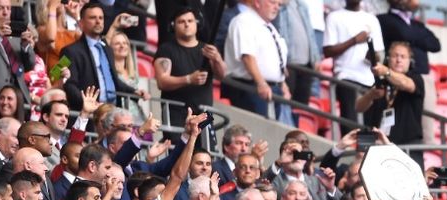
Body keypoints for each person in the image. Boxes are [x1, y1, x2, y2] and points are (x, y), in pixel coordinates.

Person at [154, 6, 226, 140]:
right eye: (181, 21)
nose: (187, 24)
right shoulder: (166, 50)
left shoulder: (208, 50)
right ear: (173, 26)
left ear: (197, 24)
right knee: (178, 155)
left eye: (190, 21)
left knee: (204, 157)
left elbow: (221, 76)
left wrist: (217, 59)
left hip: (204, 114)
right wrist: (188, 79)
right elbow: (162, 81)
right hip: (176, 115)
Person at [377, 0, 440, 144]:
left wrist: (411, 36)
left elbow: (435, 44)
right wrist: (418, 36)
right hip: (397, 77)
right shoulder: (384, 19)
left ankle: (426, 156)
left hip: (422, 78)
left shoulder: (417, 24)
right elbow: (403, 34)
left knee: (427, 123)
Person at [60, 2, 144, 110]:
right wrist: (87, 105)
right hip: (90, 114)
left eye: (101, 18)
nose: (98, 21)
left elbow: (114, 80)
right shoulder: (69, 51)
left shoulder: (106, 48)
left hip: (113, 111)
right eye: (92, 18)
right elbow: (69, 84)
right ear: (81, 24)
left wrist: (134, 92)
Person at [323, 0, 383, 133]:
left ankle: (363, 154)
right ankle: (350, 153)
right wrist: (354, 40)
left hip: (369, 81)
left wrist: (372, 56)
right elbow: (328, 51)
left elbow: (379, 54)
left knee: (369, 132)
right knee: (351, 129)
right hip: (346, 78)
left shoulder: (372, 19)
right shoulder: (334, 17)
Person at [223, 0, 291, 118]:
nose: (276, 8)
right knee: (256, 131)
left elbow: (273, 59)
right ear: (257, 2)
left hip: (271, 88)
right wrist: (261, 83)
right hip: (251, 88)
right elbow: (247, 56)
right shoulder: (243, 21)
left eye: (279, 5)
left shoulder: (269, 26)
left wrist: (282, 83)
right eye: (272, 3)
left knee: (269, 132)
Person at [355, 41, 424, 152]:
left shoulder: (416, 78)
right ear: (388, 59)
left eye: (403, 56)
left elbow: (407, 84)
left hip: (407, 146)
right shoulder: (381, 81)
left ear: (410, 61)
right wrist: (370, 95)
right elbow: (358, 107)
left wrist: (386, 71)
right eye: (395, 56)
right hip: (378, 144)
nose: (398, 60)